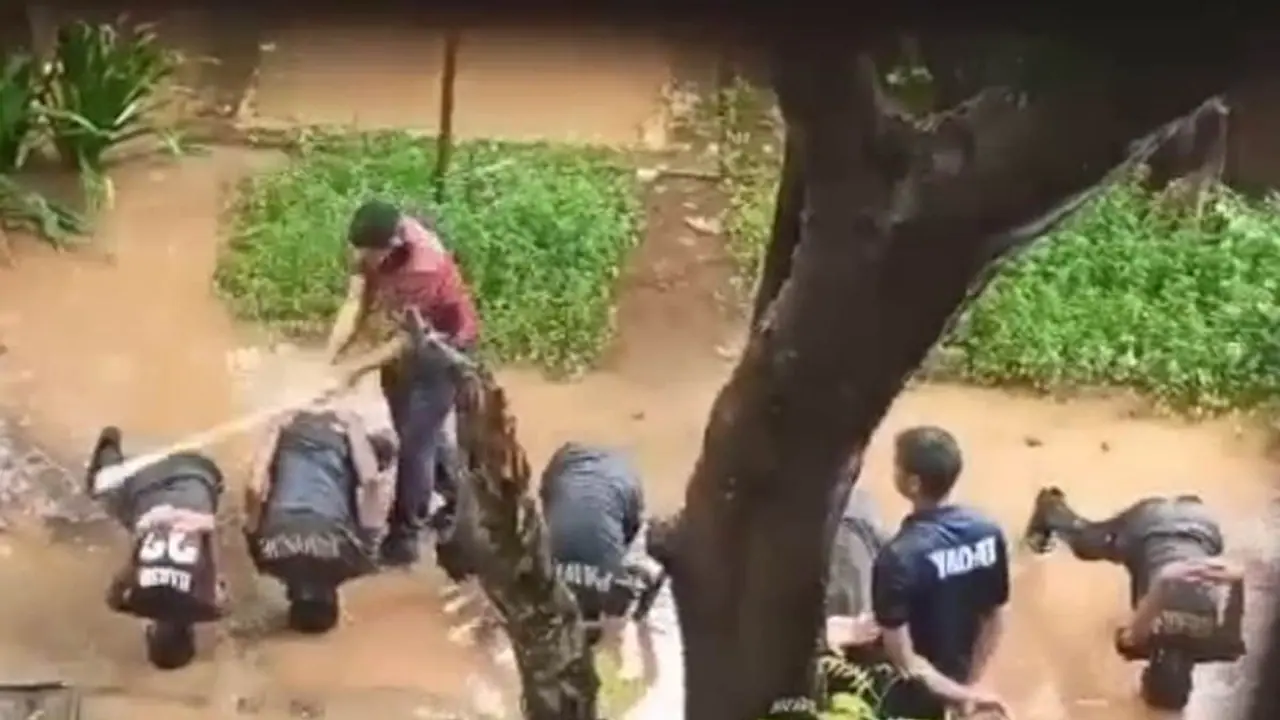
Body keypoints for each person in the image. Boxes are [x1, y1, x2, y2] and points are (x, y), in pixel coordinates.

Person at [324, 199, 480, 567]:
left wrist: (355, 369)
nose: (363, 259)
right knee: (416, 431)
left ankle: (404, 538)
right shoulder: (371, 242)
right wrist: (329, 357)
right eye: (359, 252)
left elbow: (405, 340)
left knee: (414, 446)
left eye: (370, 254)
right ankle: (458, 495)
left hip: (441, 350)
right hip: (403, 342)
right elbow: (355, 301)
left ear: (392, 246)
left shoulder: (422, 268)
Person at [1022, 487, 1245, 708]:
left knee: (1201, 551)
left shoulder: (1219, 646)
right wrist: (1169, 578)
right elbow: (1155, 597)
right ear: (1148, 674)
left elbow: (1235, 595)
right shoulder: (1139, 642)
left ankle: (1187, 504)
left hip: (1201, 524)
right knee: (1085, 545)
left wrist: (1237, 579)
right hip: (1148, 526)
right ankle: (1050, 507)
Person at [866, 426, 1011, 719]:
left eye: (897, 465)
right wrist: (968, 685)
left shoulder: (898, 557)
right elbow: (994, 616)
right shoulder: (987, 532)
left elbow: (905, 662)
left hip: (910, 698)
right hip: (961, 676)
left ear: (913, 483)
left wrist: (963, 694)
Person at [242, 402, 398, 633]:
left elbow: (371, 482)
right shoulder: (265, 562)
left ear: (335, 599)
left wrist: (354, 425)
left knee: (386, 449)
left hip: (336, 443)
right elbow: (254, 488)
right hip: (291, 440)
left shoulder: (358, 562)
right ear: (290, 598)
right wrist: (274, 428)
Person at [85, 426, 228, 670]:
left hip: (204, 474)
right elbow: (130, 565)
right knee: (101, 490)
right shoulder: (133, 601)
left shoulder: (211, 608)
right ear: (151, 633)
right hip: (147, 476)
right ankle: (109, 440)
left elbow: (215, 566)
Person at [539, 442, 662, 646]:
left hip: (618, 473)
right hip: (581, 466)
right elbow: (649, 578)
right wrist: (639, 620)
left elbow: (649, 578)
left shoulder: (617, 591)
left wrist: (639, 617)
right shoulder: (545, 575)